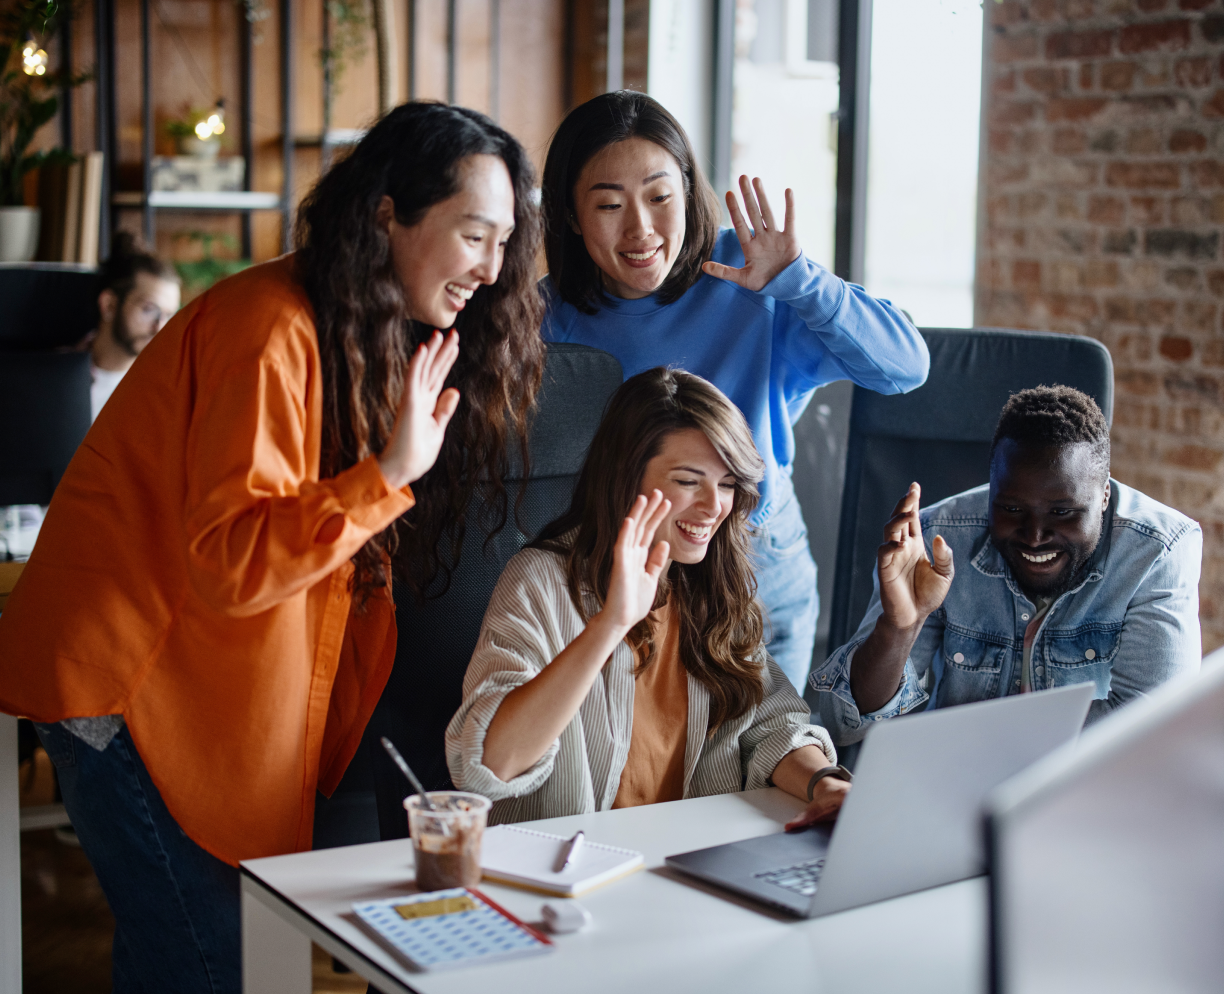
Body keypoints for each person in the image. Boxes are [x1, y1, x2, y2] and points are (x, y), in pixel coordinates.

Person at [0, 102, 545, 993]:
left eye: (505, 242)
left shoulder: (351, 327)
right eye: (474, 235)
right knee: (212, 962)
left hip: (190, 674)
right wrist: (391, 470)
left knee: (182, 953)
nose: (491, 270)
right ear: (386, 215)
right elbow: (234, 558)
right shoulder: (268, 328)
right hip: (125, 680)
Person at [539, 90, 930, 694]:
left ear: (689, 192)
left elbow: (905, 367)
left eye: (660, 197)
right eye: (609, 205)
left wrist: (802, 284)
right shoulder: (546, 317)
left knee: (773, 770)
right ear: (569, 214)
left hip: (756, 562)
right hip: (625, 581)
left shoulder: (752, 273)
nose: (641, 228)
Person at [447, 368, 851, 830]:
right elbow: (488, 766)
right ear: (627, 476)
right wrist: (610, 625)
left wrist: (825, 783)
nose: (714, 505)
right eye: (688, 481)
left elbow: (770, 725)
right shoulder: (541, 581)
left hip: (686, 859)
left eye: (725, 483)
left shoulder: (711, 584)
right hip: (566, 873)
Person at [810, 386, 1202, 744]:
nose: (1034, 535)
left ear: (1103, 496)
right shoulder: (937, 539)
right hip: (952, 788)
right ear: (990, 490)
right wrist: (900, 627)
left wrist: (982, 743)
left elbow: (1157, 729)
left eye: (1062, 512)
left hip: (1087, 791)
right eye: (1011, 508)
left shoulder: (1156, 552)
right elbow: (844, 726)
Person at [76, 232, 181, 421]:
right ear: (109, 305)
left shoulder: (166, 391)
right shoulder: (53, 378)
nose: (159, 328)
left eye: (168, 316)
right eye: (149, 309)